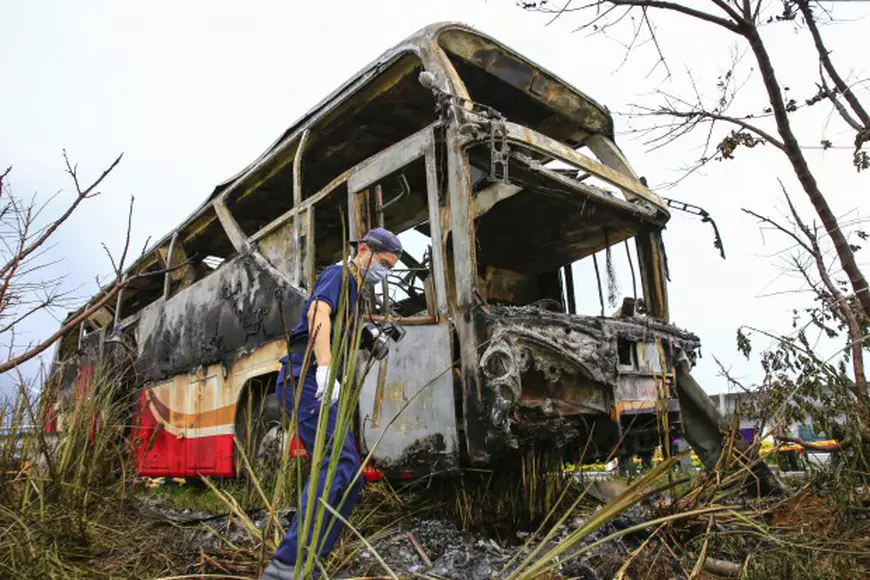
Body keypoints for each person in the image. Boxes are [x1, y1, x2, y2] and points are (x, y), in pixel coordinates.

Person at [263, 227, 402, 579]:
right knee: (335, 460)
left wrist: (369, 337)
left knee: (350, 474)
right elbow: (318, 316)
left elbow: (342, 327)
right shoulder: (338, 274)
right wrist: (325, 369)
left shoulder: (357, 294)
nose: (383, 272)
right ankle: (287, 564)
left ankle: (310, 561)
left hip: (315, 381)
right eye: (383, 263)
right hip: (304, 378)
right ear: (365, 250)